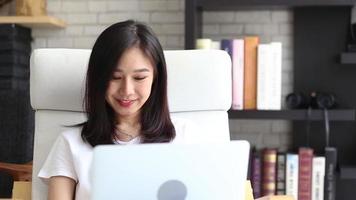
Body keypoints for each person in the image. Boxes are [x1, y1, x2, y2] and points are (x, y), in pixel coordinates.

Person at [38, 20, 199, 200]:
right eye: (115, 77)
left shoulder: (186, 136)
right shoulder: (71, 143)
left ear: (156, 78)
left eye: (139, 78)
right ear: (98, 78)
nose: (127, 91)